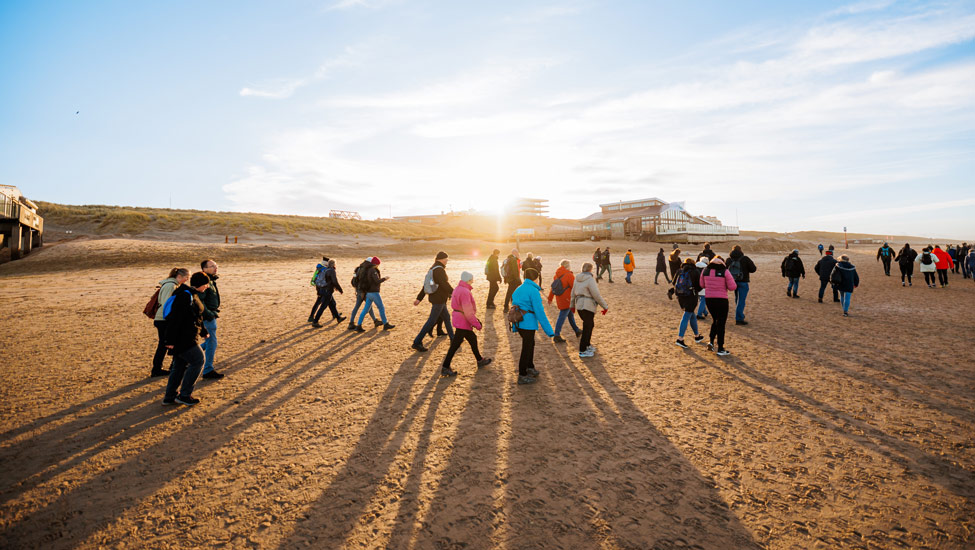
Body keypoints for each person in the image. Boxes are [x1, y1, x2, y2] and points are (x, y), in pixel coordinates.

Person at [162, 272, 212, 405]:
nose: (207, 287)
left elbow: (195, 316)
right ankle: (184, 395)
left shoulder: (189, 294)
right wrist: (169, 341)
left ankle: (170, 396)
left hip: (185, 336)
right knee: (198, 360)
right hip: (183, 338)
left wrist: (203, 331)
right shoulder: (185, 295)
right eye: (206, 284)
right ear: (200, 284)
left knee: (179, 366)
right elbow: (175, 319)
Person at [440, 271, 492, 377]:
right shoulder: (465, 291)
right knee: (455, 345)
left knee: (472, 339)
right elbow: (468, 311)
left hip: (459, 319)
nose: (473, 280)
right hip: (463, 321)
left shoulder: (458, 289)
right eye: (472, 279)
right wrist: (477, 324)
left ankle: (479, 360)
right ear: (469, 280)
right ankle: (445, 367)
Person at [510, 268, 554, 385]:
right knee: (527, 347)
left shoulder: (518, 288)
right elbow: (540, 312)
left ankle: (530, 366)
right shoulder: (533, 291)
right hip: (527, 323)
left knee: (530, 344)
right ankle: (522, 374)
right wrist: (549, 331)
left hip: (519, 322)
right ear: (535, 278)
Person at [412, 251, 454, 352]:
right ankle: (417, 342)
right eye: (446, 259)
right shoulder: (439, 270)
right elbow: (444, 283)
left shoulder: (433, 268)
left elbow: (427, 285)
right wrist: (454, 292)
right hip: (439, 299)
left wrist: (419, 298)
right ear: (441, 259)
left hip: (437, 298)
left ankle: (453, 339)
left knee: (447, 318)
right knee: (431, 320)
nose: (447, 261)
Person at [152, 268, 189, 377]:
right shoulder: (170, 286)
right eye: (187, 277)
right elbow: (167, 304)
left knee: (165, 344)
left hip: (164, 319)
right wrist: (173, 320)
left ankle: (165, 367)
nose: (187, 279)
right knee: (164, 344)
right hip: (163, 319)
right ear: (180, 276)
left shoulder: (173, 285)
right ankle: (157, 369)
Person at [699, 257, 737, 356]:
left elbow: (702, 285)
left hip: (709, 299)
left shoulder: (705, 270)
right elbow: (732, 287)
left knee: (715, 320)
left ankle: (711, 342)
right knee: (721, 323)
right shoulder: (725, 271)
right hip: (721, 300)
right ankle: (720, 347)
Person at [570, 262, 608, 359]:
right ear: (590, 269)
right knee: (587, 327)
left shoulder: (577, 278)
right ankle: (583, 350)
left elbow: (572, 293)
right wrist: (605, 306)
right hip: (587, 306)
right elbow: (596, 294)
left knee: (589, 325)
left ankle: (587, 345)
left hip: (579, 306)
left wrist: (572, 305)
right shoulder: (590, 279)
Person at [354, 256, 395, 332]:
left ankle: (358, 325)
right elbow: (377, 281)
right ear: (376, 264)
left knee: (365, 310)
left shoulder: (366, 270)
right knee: (381, 308)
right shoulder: (373, 270)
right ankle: (385, 324)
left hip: (368, 293)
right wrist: (385, 278)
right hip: (374, 293)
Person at [199, 259, 224, 380]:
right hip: (208, 317)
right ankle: (208, 369)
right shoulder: (204, 281)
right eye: (212, 266)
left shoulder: (212, 280)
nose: (215, 268)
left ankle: (185, 356)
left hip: (212, 314)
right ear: (204, 269)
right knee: (212, 343)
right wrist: (208, 314)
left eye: (216, 265)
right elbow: (200, 300)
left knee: (209, 342)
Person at [672, 258, 705, 348]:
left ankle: (697, 336)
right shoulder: (695, 271)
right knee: (687, 315)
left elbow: (673, 282)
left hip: (680, 297)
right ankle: (680, 339)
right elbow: (700, 286)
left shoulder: (679, 271)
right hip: (691, 296)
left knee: (691, 314)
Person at [547, 259, 581, 343]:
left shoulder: (556, 275)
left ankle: (577, 330)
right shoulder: (569, 275)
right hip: (568, 300)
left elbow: (553, 287)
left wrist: (550, 298)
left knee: (570, 315)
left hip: (560, 299)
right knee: (561, 317)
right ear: (567, 266)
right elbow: (575, 287)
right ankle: (557, 335)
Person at [727, 245, 757, 325]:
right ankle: (739, 318)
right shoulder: (745, 258)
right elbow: (753, 269)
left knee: (737, 298)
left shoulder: (729, 259)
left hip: (733, 282)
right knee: (741, 300)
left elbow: (725, 270)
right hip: (743, 281)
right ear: (740, 250)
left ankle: (739, 315)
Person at [311, 260, 345, 327]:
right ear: (334, 264)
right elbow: (335, 281)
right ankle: (315, 322)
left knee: (332, 304)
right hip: (327, 291)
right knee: (323, 307)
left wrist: (318, 291)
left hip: (322, 290)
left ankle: (338, 318)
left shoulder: (325, 270)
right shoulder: (331, 271)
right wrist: (340, 289)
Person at [349, 258, 380, 330]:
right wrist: (363, 291)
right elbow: (364, 282)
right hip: (364, 291)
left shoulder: (358, 269)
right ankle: (374, 321)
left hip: (359, 290)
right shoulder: (366, 270)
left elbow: (354, 279)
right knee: (365, 306)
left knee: (365, 306)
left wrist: (357, 289)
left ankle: (351, 322)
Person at [307, 256, 330, 323]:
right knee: (319, 302)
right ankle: (311, 317)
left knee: (331, 302)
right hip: (323, 287)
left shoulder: (319, 267)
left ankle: (336, 315)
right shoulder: (324, 268)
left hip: (318, 286)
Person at [502, 248, 521, 313]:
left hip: (509, 278)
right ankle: (506, 306)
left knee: (512, 292)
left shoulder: (508, 259)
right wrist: (518, 279)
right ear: (515, 253)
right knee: (510, 292)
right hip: (513, 279)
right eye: (517, 252)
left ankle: (512, 304)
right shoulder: (513, 259)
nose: (518, 253)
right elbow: (515, 271)